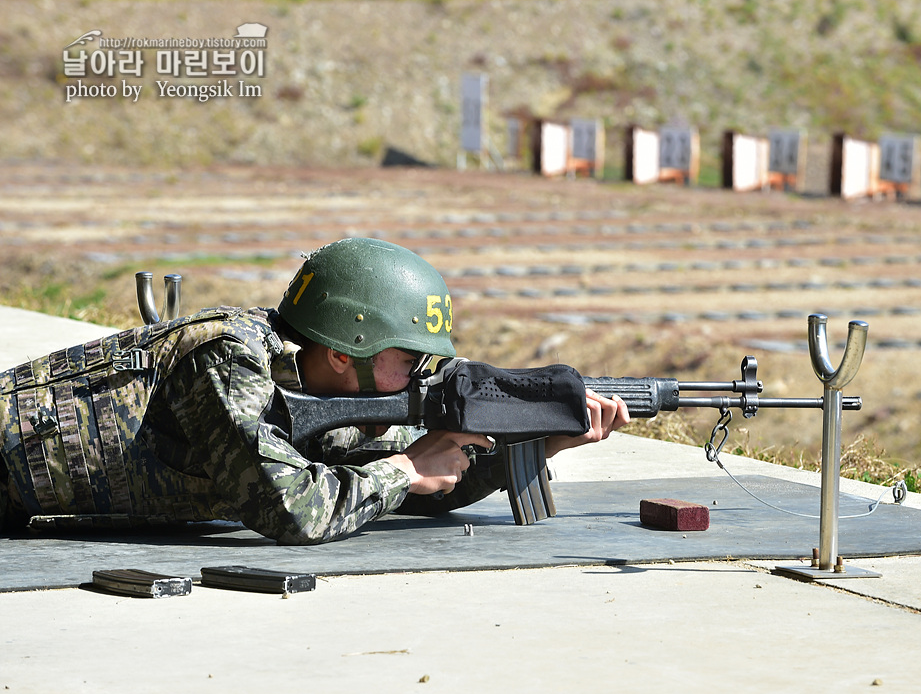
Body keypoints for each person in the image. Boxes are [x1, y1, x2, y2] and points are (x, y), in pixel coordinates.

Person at [0, 238, 629, 544]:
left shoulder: (329, 391)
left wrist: (541, 442)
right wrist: (406, 467)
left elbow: (413, 491)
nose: (418, 379)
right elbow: (299, 511)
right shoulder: (229, 362)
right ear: (340, 352)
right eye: (407, 361)